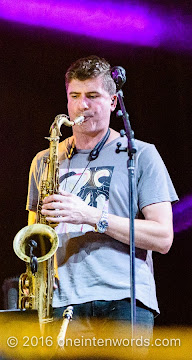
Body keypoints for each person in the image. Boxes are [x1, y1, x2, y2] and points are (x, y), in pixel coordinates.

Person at [26, 56, 178, 339]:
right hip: (61, 304)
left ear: (112, 101)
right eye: (75, 96)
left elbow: (163, 237)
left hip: (123, 301)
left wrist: (91, 216)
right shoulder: (44, 161)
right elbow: (34, 238)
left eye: (93, 96)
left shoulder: (141, 154)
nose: (82, 105)